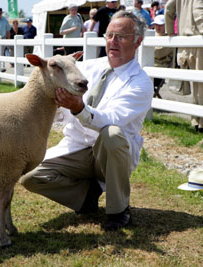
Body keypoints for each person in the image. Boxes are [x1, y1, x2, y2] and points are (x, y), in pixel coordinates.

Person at [20, 11, 153, 231]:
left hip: (111, 154)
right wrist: (59, 104)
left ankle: (118, 210)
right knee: (31, 177)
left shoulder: (140, 83)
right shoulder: (87, 67)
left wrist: (78, 107)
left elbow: (113, 119)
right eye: (109, 35)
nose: (113, 42)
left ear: (138, 41)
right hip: (78, 147)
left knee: (111, 134)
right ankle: (86, 198)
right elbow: (60, 109)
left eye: (121, 37)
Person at [165, 0, 203, 133]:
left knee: (198, 85)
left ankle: (197, 120)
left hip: (186, 43)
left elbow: (169, 8)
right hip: (198, 40)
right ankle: (199, 121)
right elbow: (199, 13)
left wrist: (169, 31)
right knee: (200, 85)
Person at [152, 15, 173, 98]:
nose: (157, 27)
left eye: (160, 25)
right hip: (150, 67)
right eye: (156, 25)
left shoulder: (169, 38)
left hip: (158, 71)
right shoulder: (153, 35)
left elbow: (157, 53)